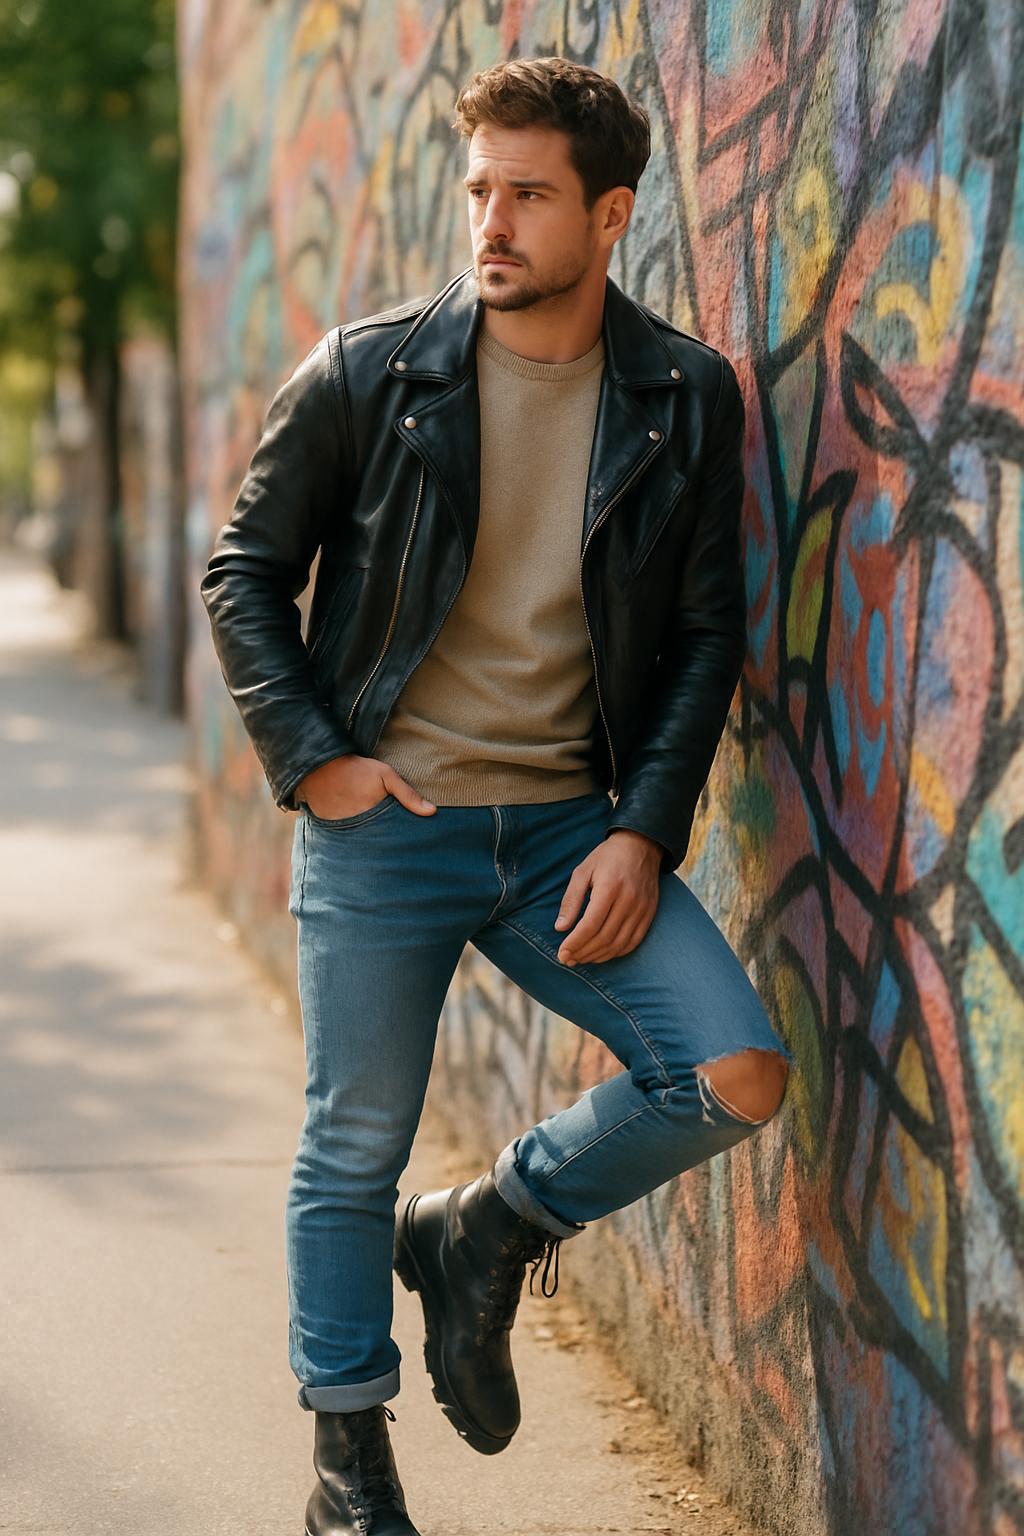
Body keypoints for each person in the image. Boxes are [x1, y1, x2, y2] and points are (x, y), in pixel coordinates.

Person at [202, 55, 789, 1536]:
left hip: (566, 836)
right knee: (353, 1145)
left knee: (734, 1075)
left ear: (610, 215)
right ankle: (350, 1460)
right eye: (481, 190)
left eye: (529, 195)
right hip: (384, 830)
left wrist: (647, 830)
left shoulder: (684, 397)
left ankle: (490, 1225)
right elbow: (245, 575)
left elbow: (709, 626)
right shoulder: (367, 372)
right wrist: (317, 757)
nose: (493, 222)